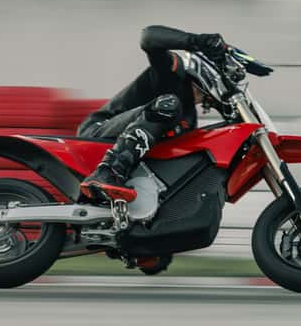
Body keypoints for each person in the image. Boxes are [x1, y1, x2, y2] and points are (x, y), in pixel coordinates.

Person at [77, 25, 227, 203]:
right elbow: (149, 37)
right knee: (168, 106)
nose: (205, 99)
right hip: (98, 130)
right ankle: (107, 172)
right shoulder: (171, 73)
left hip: (128, 150)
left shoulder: (190, 117)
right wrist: (196, 41)